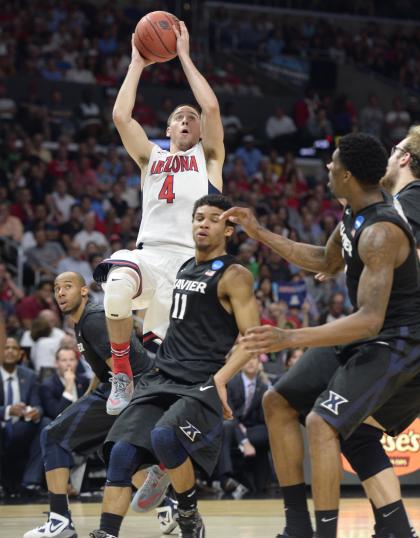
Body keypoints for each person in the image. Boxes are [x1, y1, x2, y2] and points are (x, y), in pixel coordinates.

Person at [221, 133, 420, 538]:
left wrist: (289, 338)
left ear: (347, 174)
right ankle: (299, 527)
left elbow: (368, 321)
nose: (326, 167)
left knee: (321, 423)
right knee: (277, 401)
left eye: (331, 163)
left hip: (398, 341)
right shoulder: (354, 214)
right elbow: (324, 259)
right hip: (368, 333)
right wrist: (259, 233)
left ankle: (325, 533)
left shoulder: (383, 230)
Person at [89, 195, 259, 538]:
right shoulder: (185, 267)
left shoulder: (234, 274)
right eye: (199, 217)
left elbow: (253, 338)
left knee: (165, 437)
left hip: (199, 381)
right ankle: (106, 533)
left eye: (213, 219)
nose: (203, 224)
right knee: (121, 453)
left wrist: (222, 379)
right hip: (161, 375)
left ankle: (188, 513)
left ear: (229, 230)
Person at [92, 21, 225, 416]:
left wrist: (183, 55)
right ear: (167, 128)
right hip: (149, 256)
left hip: (188, 268)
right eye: (178, 117)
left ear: (201, 130)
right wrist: (137, 62)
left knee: (168, 372)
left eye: (192, 118)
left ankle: (162, 472)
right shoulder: (152, 157)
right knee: (114, 289)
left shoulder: (210, 159)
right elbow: (120, 116)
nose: (186, 121)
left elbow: (213, 106)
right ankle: (120, 372)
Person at [24, 272, 153, 538]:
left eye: (67, 287)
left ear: (84, 291)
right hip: (136, 386)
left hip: (131, 387)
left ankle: (59, 520)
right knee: (125, 455)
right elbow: (102, 366)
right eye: (56, 288)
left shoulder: (92, 319)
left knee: (52, 436)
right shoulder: (84, 320)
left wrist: (115, 404)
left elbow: (119, 369)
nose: (60, 292)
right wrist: (87, 398)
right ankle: (171, 509)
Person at [0, 337, 47, 496]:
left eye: (14, 348)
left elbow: (38, 405)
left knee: (45, 423)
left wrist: (35, 413)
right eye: (6, 348)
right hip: (2, 426)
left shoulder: (30, 375)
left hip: (20, 427)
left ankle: (30, 482)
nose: (10, 351)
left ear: (20, 354)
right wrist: (8, 411)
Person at [40, 346, 90, 420]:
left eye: (72, 359)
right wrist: (69, 387)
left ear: (77, 362)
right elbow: (56, 414)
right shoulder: (47, 386)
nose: (68, 364)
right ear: (56, 363)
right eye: (64, 360)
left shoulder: (84, 380)